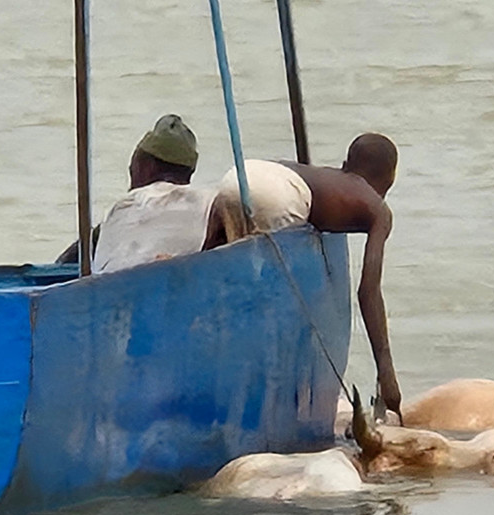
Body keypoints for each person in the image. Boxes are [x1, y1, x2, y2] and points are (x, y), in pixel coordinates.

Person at [204, 134, 403, 419]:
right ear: (390, 180)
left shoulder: (325, 178)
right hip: (281, 195)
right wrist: (386, 371)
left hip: (242, 174)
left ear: (345, 163)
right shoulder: (377, 208)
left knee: (218, 273)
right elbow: (368, 291)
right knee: (277, 305)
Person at [57, 114, 213, 273]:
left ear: (146, 167)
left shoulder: (126, 208)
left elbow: (64, 263)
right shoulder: (208, 208)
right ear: (189, 174)